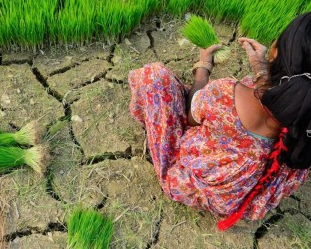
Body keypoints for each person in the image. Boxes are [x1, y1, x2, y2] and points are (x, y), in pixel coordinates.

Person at [128, 12, 311, 230]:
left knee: (153, 76)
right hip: (241, 196)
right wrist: (263, 72)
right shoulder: (305, 117)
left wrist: (203, 68)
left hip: (198, 185)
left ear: (275, 50)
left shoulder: (224, 93)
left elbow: (190, 118)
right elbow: (283, 104)